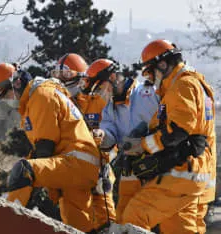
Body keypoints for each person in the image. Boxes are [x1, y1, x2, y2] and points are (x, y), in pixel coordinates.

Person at [0, 62, 100, 233]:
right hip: (78, 164)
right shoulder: (36, 98)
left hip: (75, 162)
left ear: (16, 83)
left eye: (4, 95)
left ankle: (4, 223)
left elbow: (45, 147)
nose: (5, 101)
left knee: (23, 170)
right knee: (79, 226)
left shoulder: (41, 95)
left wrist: (27, 186)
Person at [117, 39, 216, 234]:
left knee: (134, 217)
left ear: (162, 64)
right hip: (195, 173)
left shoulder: (182, 85)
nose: (151, 79)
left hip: (182, 172)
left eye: (151, 72)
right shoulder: (195, 84)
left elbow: (177, 131)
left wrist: (141, 147)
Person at [88, 59, 159, 228]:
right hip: (130, 167)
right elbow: (110, 135)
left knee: (159, 220)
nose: (99, 93)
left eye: (100, 87)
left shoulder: (148, 93)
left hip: (158, 164)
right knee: (123, 218)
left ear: (113, 77)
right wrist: (101, 135)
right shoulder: (108, 109)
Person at [51, 53, 116, 232]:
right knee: (75, 224)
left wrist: (105, 160)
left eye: (67, 75)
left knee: (107, 223)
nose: (62, 80)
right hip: (71, 173)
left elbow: (112, 136)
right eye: (59, 75)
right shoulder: (56, 106)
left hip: (99, 171)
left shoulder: (98, 102)